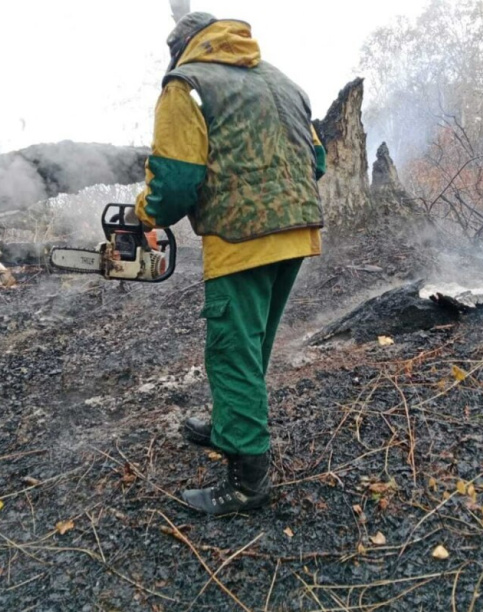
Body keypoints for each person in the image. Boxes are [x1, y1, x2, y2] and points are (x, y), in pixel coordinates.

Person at [134, 12, 326, 514]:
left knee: (231, 353)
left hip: (242, 237)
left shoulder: (186, 85)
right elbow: (318, 161)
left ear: (180, 49)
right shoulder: (282, 82)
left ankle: (247, 484)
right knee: (252, 344)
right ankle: (230, 424)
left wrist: (144, 214)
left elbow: (176, 181)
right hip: (297, 230)